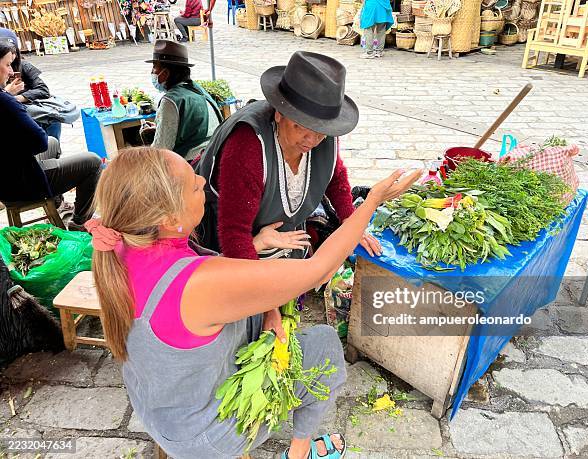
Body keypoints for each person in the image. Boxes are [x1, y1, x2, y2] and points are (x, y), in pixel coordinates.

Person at [86, 144, 421, 459]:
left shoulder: (118, 242)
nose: (203, 178)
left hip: (163, 408)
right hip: (206, 432)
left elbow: (198, 288)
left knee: (275, 327)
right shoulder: (197, 284)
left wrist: (258, 259)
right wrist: (372, 201)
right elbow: (318, 270)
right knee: (324, 344)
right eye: (192, 185)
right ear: (167, 218)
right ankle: (299, 451)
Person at [195, 51, 383, 261]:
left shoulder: (326, 134)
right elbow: (234, 234)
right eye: (300, 127)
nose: (311, 141)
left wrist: (351, 223)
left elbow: (334, 175)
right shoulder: (246, 146)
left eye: (319, 132)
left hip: (286, 243)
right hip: (235, 247)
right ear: (279, 114)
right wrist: (254, 284)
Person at [0, 41, 101, 229]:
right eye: (6, 65)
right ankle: (80, 221)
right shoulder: (6, 102)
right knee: (93, 162)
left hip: (7, 175)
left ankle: (55, 201)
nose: (10, 71)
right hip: (21, 182)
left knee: (53, 141)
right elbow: (38, 141)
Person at [141, 40, 223, 161]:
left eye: (154, 66)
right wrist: (158, 127)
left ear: (166, 73)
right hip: (215, 155)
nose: (152, 72)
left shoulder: (170, 100)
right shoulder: (197, 89)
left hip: (192, 164)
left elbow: (161, 150)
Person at [0, 28, 61, 139]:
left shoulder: (23, 65)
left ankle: (54, 150)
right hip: (12, 111)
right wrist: (7, 95)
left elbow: (43, 89)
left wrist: (19, 97)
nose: (10, 72)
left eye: (13, 50)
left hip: (26, 106)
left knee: (52, 118)